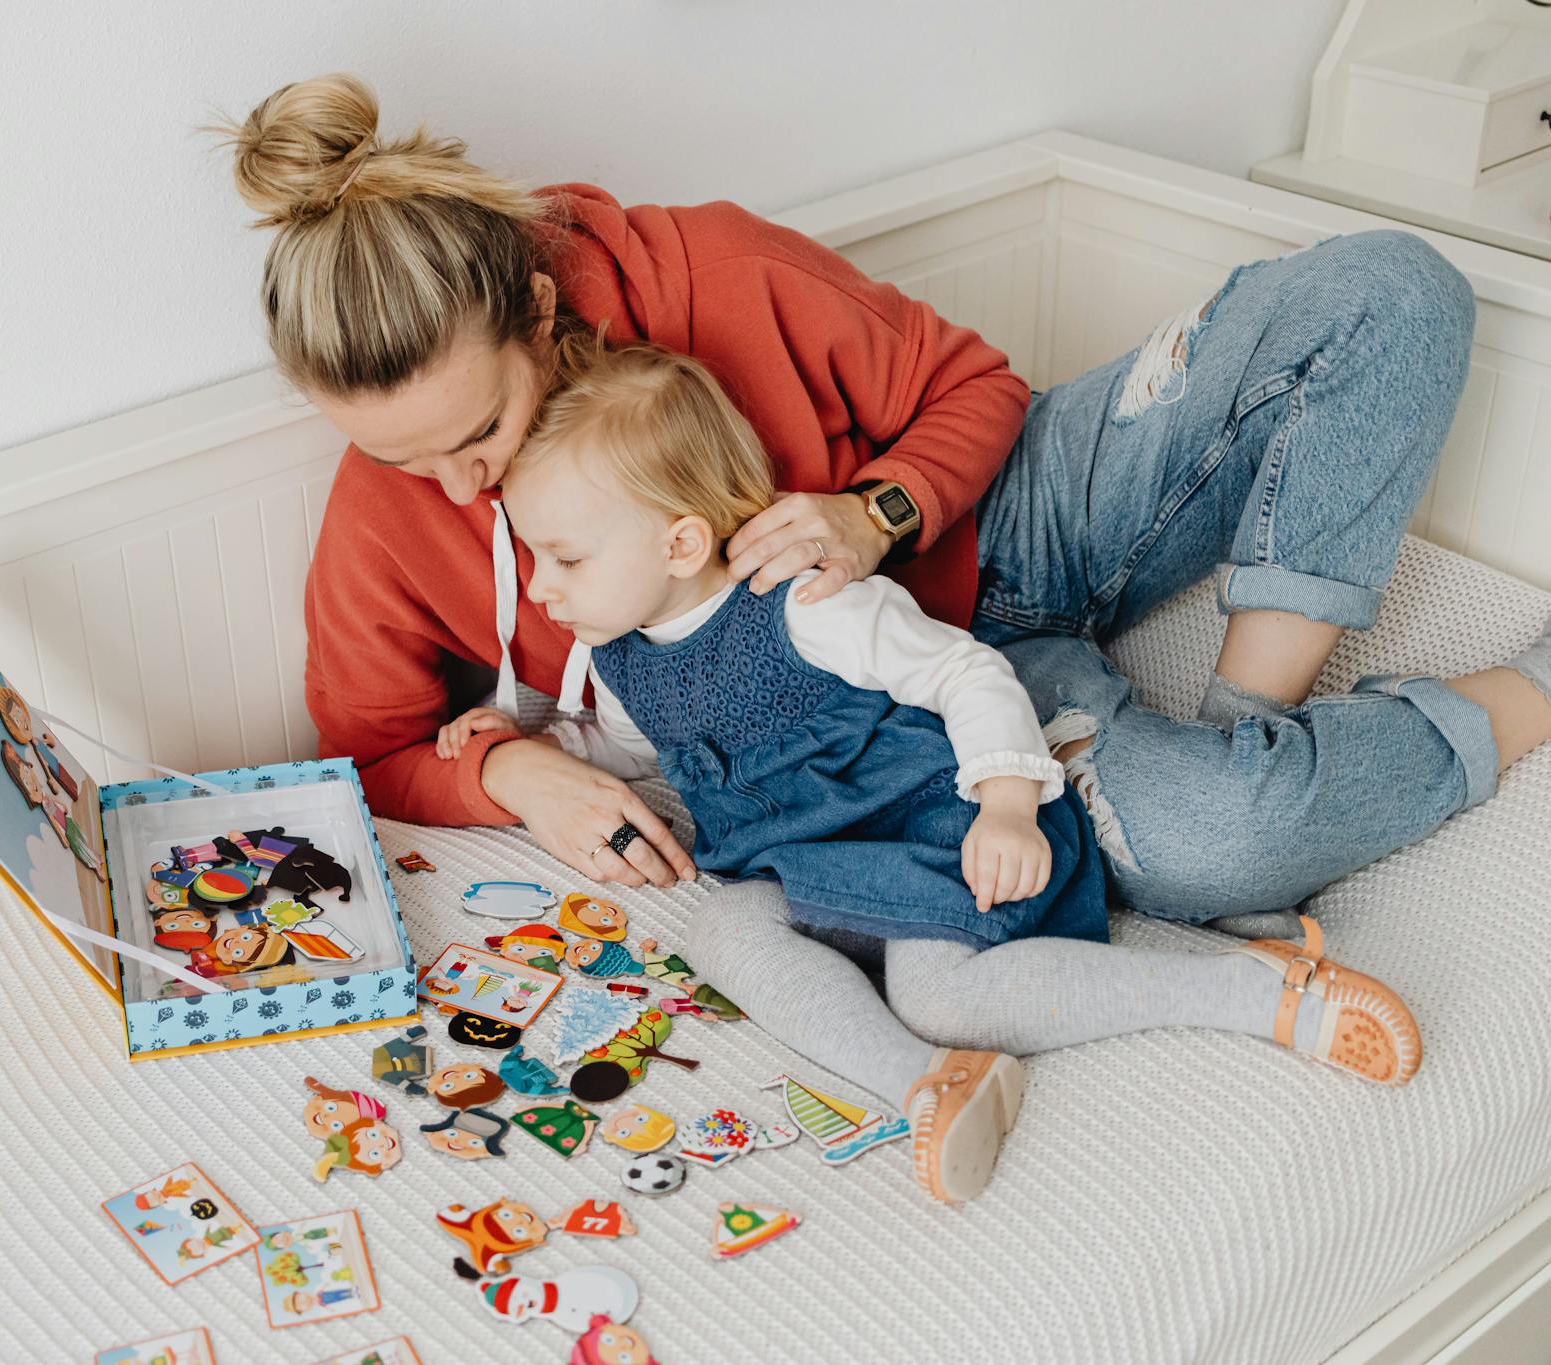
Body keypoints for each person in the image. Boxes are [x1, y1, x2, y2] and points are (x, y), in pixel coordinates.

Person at [216, 73, 1551, 921]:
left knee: (1393, 288)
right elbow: (369, 747)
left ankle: (1255, 713)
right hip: (941, 696)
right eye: (404, 460)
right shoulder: (392, 513)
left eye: (481, 432)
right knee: (1219, 846)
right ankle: (1518, 698)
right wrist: (516, 776)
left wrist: (879, 513)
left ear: (548, 322)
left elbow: (976, 391)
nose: (461, 486)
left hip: (1016, 518)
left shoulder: (715, 268)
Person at [481, 333, 1420, 1202]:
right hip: (807, 864)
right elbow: (651, 750)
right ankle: (928, 1083)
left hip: (936, 830)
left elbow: (969, 671)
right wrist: (541, 751)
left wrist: (1007, 804)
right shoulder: (627, 652)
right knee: (721, 925)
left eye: (562, 557)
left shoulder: (809, 607)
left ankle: (1259, 993)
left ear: (680, 542)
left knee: (936, 989)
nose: (540, 585)